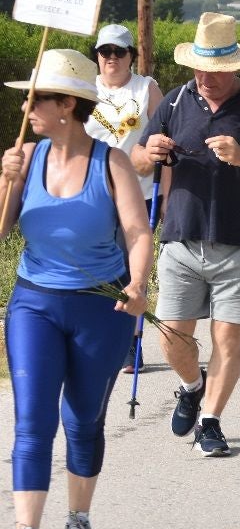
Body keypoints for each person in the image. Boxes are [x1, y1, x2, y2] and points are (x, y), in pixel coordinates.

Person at [1, 49, 151, 529]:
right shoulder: (24, 159)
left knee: (83, 419)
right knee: (33, 419)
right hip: (34, 303)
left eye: (35, 100)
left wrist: (137, 286)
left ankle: (78, 520)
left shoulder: (112, 162)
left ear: (66, 105)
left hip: (100, 308)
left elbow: (136, 231)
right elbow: (1, 233)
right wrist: (5, 182)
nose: (27, 110)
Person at [133, 13, 240, 457]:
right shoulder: (174, 101)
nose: (204, 77)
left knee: (228, 340)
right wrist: (149, 152)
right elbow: (137, 159)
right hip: (181, 238)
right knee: (170, 336)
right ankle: (191, 385)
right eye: (198, 68)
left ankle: (211, 420)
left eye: (215, 71)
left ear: (234, 69)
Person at [84, 23, 164, 374]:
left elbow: (164, 144)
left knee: (131, 271)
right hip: (92, 194)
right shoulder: (84, 90)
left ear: (131, 55)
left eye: (119, 52)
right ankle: (97, 338)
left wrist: (169, 194)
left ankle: (131, 344)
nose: (112, 59)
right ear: (97, 56)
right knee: (96, 268)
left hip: (140, 193)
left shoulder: (146, 89)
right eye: (105, 52)